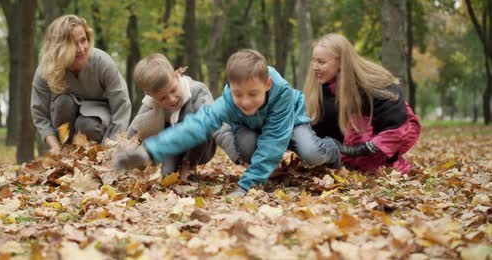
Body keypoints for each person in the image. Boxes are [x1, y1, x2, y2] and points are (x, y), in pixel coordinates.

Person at [113, 49, 341, 197]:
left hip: (290, 124)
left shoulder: (280, 96)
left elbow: (273, 143)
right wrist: (149, 152)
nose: (245, 101)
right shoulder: (231, 100)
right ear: (230, 87)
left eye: (253, 94)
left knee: (311, 153)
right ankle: (263, 168)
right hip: (254, 126)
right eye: (237, 94)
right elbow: (196, 125)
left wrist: (245, 186)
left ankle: (333, 149)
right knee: (248, 146)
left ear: (267, 85)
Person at [302, 33, 421, 174]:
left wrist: (354, 151)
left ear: (341, 62)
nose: (315, 67)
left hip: (391, 134)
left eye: (321, 62)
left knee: (358, 121)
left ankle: (379, 163)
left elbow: (397, 126)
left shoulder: (374, 85)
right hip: (345, 151)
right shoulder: (321, 89)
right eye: (313, 61)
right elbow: (318, 129)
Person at [31, 14, 131, 152]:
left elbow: (122, 107)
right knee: (62, 104)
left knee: (87, 125)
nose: (81, 49)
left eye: (83, 40)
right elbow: (39, 114)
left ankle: (92, 156)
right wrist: (54, 145)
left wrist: (111, 147)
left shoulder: (102, 63)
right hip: (65, 127)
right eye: (73, 44)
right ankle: (66, 150)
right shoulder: (46, 70)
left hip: (98, 122)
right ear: (59, 48)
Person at [126, 53, 235, 178]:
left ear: (177, 76)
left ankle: (189, 165)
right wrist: (124, 148)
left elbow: (215, 122)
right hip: (174, 146)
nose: (171, 99)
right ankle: (169, 165)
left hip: (200, 145)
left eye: (173, 90)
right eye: (162, 98)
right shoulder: (151, 102)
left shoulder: (197, 91)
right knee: (165, 174)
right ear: (150, 95)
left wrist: (234, 152)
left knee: (196, 123)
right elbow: (136, 126)